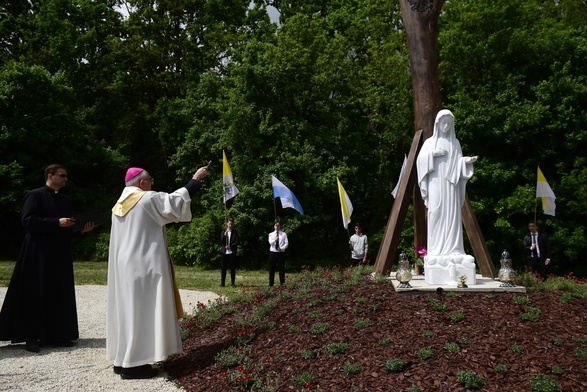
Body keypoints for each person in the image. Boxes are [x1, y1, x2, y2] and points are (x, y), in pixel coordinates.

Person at [107, 165, 208, 380]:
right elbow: (174, 203)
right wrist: (195, 180)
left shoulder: (118, 206)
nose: (152, 184)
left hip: (124, 267)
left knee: (127, 312)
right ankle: (134, 366)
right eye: (150, 180)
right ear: (141, 183)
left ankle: (121, 359)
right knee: (141, 313)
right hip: (145, 266)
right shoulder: (145, 199)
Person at [0, 164, 95, 353]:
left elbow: (68, 228)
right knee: (35, 291)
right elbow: (27, 221)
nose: (65, 179)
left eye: (66, 176)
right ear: (50, 176)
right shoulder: (34, 195)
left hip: (59, 253)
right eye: (62, 175)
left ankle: (57, 334)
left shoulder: (65, 200)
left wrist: (82, 231)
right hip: (38, 252)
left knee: (58, 291)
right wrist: (56, 222)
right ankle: (31, 336)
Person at [416, 109, 477, 257]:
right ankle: (435, 249)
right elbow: (419, 161)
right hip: (435, 181)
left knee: (452, 214)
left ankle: (453, 249)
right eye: (444, 123)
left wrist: (466, 162)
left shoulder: (455, 143)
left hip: (451, 184)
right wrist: (433, 154)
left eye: (449, 123)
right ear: (438, 124)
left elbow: (459, 161)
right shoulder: (430, 143)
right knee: (435, 211)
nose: (446, 126)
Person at [220, 218, 239, 287]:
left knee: (232, 268)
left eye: (231, 224)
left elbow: (237, 242)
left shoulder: (235, 232)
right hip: (224, 252)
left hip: (232, 252)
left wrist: (230, 246)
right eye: (229, 223)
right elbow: (221, 241)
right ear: (227, 223)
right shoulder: (223, 232)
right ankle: (222, 283)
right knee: (223, 268)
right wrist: (224, 236)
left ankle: (233, 283)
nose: (230, 225)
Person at [268, 220, 288, 286]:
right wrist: (275, 240)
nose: (277, 226)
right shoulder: (271, 234)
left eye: (278, 225)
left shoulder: (284, 234)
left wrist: (282, 248)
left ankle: (282, 283)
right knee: (271, 269)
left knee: (281, 269)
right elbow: (270, 242)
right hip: (273, 253)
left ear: (280, 226)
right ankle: (271, 283)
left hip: (281, 253)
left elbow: (286, 243)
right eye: (276, 225)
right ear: (274, 226)